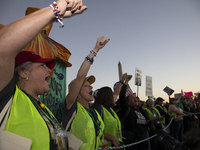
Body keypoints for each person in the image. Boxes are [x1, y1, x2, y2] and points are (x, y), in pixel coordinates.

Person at [0, 0, 87, 150]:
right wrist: (55, 11)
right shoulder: (8, 98)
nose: (49, 71)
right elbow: (3, 46)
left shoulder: (43, 108)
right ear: (23, 72)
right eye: (42, 66)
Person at [61, 36, 110, 150]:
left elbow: (96, 134)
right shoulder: (71, 106)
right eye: (86, 85)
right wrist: (95, 50)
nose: (91, 87)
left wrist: (103, 142)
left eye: (90, 85)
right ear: (77, 92)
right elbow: (80, 77)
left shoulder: (93, 111)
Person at [92, 73, 127, 149]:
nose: (114, 96)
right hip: (106, 146)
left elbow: (116, 93)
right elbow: (94, 130)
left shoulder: (109, 109)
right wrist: (111, 138)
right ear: (107, 96)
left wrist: (122, 80)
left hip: (117, 145)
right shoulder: (98, 109)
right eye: (111, 94)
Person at [119, 75, 151, 150]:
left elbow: (140, 121)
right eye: (132, 97)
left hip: (142, 140)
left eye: (135, 97)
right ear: (128, 102)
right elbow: (122, 96)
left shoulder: (138, 110)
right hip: (133, 143)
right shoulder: (127, 109)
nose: (135, 98)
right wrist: (125, 82)